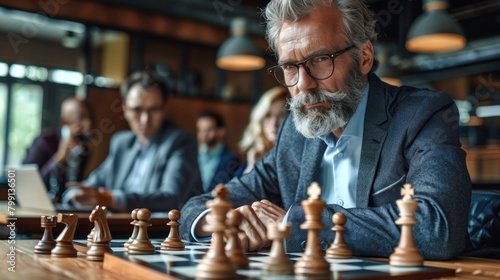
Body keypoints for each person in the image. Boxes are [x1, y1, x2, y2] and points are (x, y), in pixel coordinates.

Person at [179, 0, 471, 261]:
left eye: (320, 60)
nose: (303, 85)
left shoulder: (422, 114)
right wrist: (221, 221)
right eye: (290, 67)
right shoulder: (293, 135)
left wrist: (298, 224)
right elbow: (199, 206)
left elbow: (439, 228)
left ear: (365, 57)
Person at [62, 70, 203, 212]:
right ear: (125, 109)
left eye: (153, 110)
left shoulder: (180, 142)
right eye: (137, 110)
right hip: (117, 227)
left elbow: (172, 198)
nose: (145, 120)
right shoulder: (122, 142)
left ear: (165, 109)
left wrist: (111, 199)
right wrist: (73, 195)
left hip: (157, 231)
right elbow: (90, 186)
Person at [23, 97, 93, 202]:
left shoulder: (85, 147)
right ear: (64, 120)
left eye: (90, 117)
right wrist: (58, 158)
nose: (88, 123)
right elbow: (26, 183)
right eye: (81, 117)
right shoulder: (44, 141)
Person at [236, 86, 288, 176]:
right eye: (268, 115)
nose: (274, 123)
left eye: (281, 115)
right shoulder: (255, 154)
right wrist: (252, 167)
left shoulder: (295, 158)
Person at [196, 110, 240, 192]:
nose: (203, 134)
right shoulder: (194, 154)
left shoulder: (231, 159)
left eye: (208, 130)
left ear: (221, 131)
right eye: (200, 130)